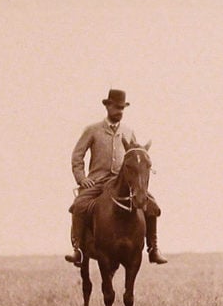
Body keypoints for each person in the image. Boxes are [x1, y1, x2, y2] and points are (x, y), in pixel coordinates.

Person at [64, 88, 168, 266]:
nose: (119, 111)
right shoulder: (92, 130)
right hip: (97, 181)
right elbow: (77, 156)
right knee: (79, 205)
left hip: (124, 181)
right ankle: (78, 250)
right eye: (116, 107)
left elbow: (135, 155)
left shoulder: (128, 131)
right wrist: (82, 179)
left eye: (122, 108)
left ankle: (153, 248)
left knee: (152, 206)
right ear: (108, 107)